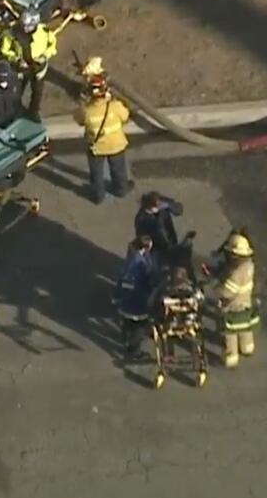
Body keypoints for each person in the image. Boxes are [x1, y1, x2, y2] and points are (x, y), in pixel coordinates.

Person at [75, 68, 132, 203]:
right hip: (116, 145)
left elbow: (78, 120)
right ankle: (121, 189)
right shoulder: (115, 106)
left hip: (96, 148)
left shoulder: (87, 111)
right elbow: (126, 116)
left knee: (96, 174)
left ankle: (98, 196)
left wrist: (82, 102)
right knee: (119, 170)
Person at [0, 10, 58, 119]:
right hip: (20, 68)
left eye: (28, 26)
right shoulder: (12, 33)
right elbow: (5, 50)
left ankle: (33, 112)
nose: (25, 28)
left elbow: (52, 45)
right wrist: (16, 59)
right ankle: (14, 110)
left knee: (37, 92)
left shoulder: (44, 31)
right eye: (23, 25)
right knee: (17, 90)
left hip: (38, 68)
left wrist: (45, 56)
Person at [208, 230, 258, 369]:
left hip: (232, 307)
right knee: (245, 327)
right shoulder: (249, 266)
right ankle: (247, 347)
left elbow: (227, 292)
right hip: (246, 302)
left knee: (229, 332)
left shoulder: (235, 273)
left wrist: (216, 287)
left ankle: (231, 356)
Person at [112, 235, 157, 358]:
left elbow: (122, 279)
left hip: (126, 299)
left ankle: (126, 338)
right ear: (145, 247)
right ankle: (134, 350)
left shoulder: (131, 257)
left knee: (127, 322)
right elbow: (146, 281)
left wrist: (117, 297)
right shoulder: (140, 264)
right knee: (139, 327)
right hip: (137, 301)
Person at [134, 192, 186, 270]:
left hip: (171, 240)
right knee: (160, 268)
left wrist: (169, 205)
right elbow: (142, 238)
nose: (160, 208)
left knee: (175, 263)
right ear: (151, 208)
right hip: (157, 248)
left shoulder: (160, 203)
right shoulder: (141, 219)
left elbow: (179, 210)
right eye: (157, 207)